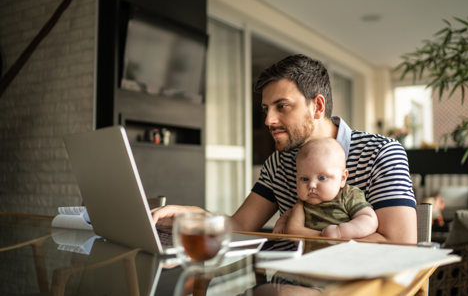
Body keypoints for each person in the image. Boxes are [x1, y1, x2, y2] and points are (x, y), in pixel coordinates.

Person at [152, 54, 417, 243]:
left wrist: (310, 236)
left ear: (318, 107)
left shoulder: (380, 152)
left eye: (282, 106)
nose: (269, 120)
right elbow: (242, 226)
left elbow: (402, 244)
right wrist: (195, 215)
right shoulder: (278, 164)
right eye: (267, 109)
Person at [272, 137, 378, 239]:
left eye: (322, 178)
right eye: (304, 179)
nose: (311, 185)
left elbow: (369, 219)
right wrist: (281, 224)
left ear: (342, 178)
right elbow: (288, 214)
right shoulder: (303, 203)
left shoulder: (348, 195)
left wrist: (340, 231)